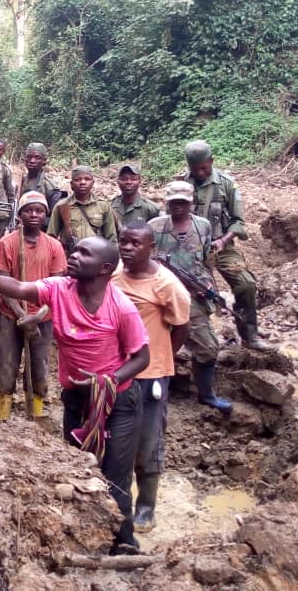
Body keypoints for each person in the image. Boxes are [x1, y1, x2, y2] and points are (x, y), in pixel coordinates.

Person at [0, 237, 150, 555]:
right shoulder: (58, 289)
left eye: (85, 253)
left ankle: (123, 542)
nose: (74, 256)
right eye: (75, 250)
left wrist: (108, 379)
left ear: (105, 269)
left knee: (115, 474)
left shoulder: (121, 307)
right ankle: (81, 537)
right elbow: (16, 286)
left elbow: (142, 358)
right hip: (76, 400)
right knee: (79, 466)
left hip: (118, 402)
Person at [112, 222, 190, 534]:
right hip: (117, 371)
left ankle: (146, 505)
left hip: (150, 375)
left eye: (135, 244)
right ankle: (118, 500)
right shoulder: (113, 274)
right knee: (116, 439)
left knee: (148, 441)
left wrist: (160, 358)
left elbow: (181, 326)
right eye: (123, 242)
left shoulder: (167, 285)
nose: (127, 248)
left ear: (151, 248)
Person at [150, 181, 233, 414]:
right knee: (154, 345)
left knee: (207, 347)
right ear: (167, 202)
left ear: (191, 203)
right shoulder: (154, 227)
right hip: (158, 296)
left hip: (192, 297)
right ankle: (153, 392)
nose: (177, 206)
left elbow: (206, 261)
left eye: (182, 202)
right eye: (173, 202)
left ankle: (206, 394)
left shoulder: (203, 227)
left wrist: (206, 285)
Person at [184, 140, 274, 352]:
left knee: (246, 285)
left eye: (204, 167)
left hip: (221, 245)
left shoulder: (226, 184)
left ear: (211, 161)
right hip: (190, 249)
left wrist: (223, 241)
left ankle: (249, 336)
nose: (199, 172)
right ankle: (193, 340)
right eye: (194, 168)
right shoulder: (182, 184)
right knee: (186, 290)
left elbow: (238, 221)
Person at [0, 191, 66, 421]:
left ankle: (35, 417)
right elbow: (2, 283)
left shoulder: (54, 246)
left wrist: (37, 316)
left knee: (39, 370)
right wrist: (22, 315)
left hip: (42, 319)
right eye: (28, 210)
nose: (34, 214)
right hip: (10, 317)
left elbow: (56, 287)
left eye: (39, 210)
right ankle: (1, 419)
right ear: (20, 214)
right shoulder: (7, 242)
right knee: (5, 367)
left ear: (45, 215)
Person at [47, 166, 118, 252]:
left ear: (93, 183)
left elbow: (111, 238)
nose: (82, 182)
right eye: (77, 179)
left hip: (96, 257)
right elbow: (51, 238)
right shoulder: (61, 206)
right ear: (71, 184)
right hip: (70, 258)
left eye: (87, 179)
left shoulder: (103, 205)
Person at [17, 142, 64, 228]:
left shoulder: (49, 186)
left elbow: (56, 218)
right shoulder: (22, 180)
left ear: (44, 161)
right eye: (29, 157)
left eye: (37, 158)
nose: (32, 161)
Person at [111, 162, 160, 231]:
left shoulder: (151, 209)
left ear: (140, 181)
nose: (128, 182)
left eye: (133, 179)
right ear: (118, 181)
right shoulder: (110, 206)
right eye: (124, 179)